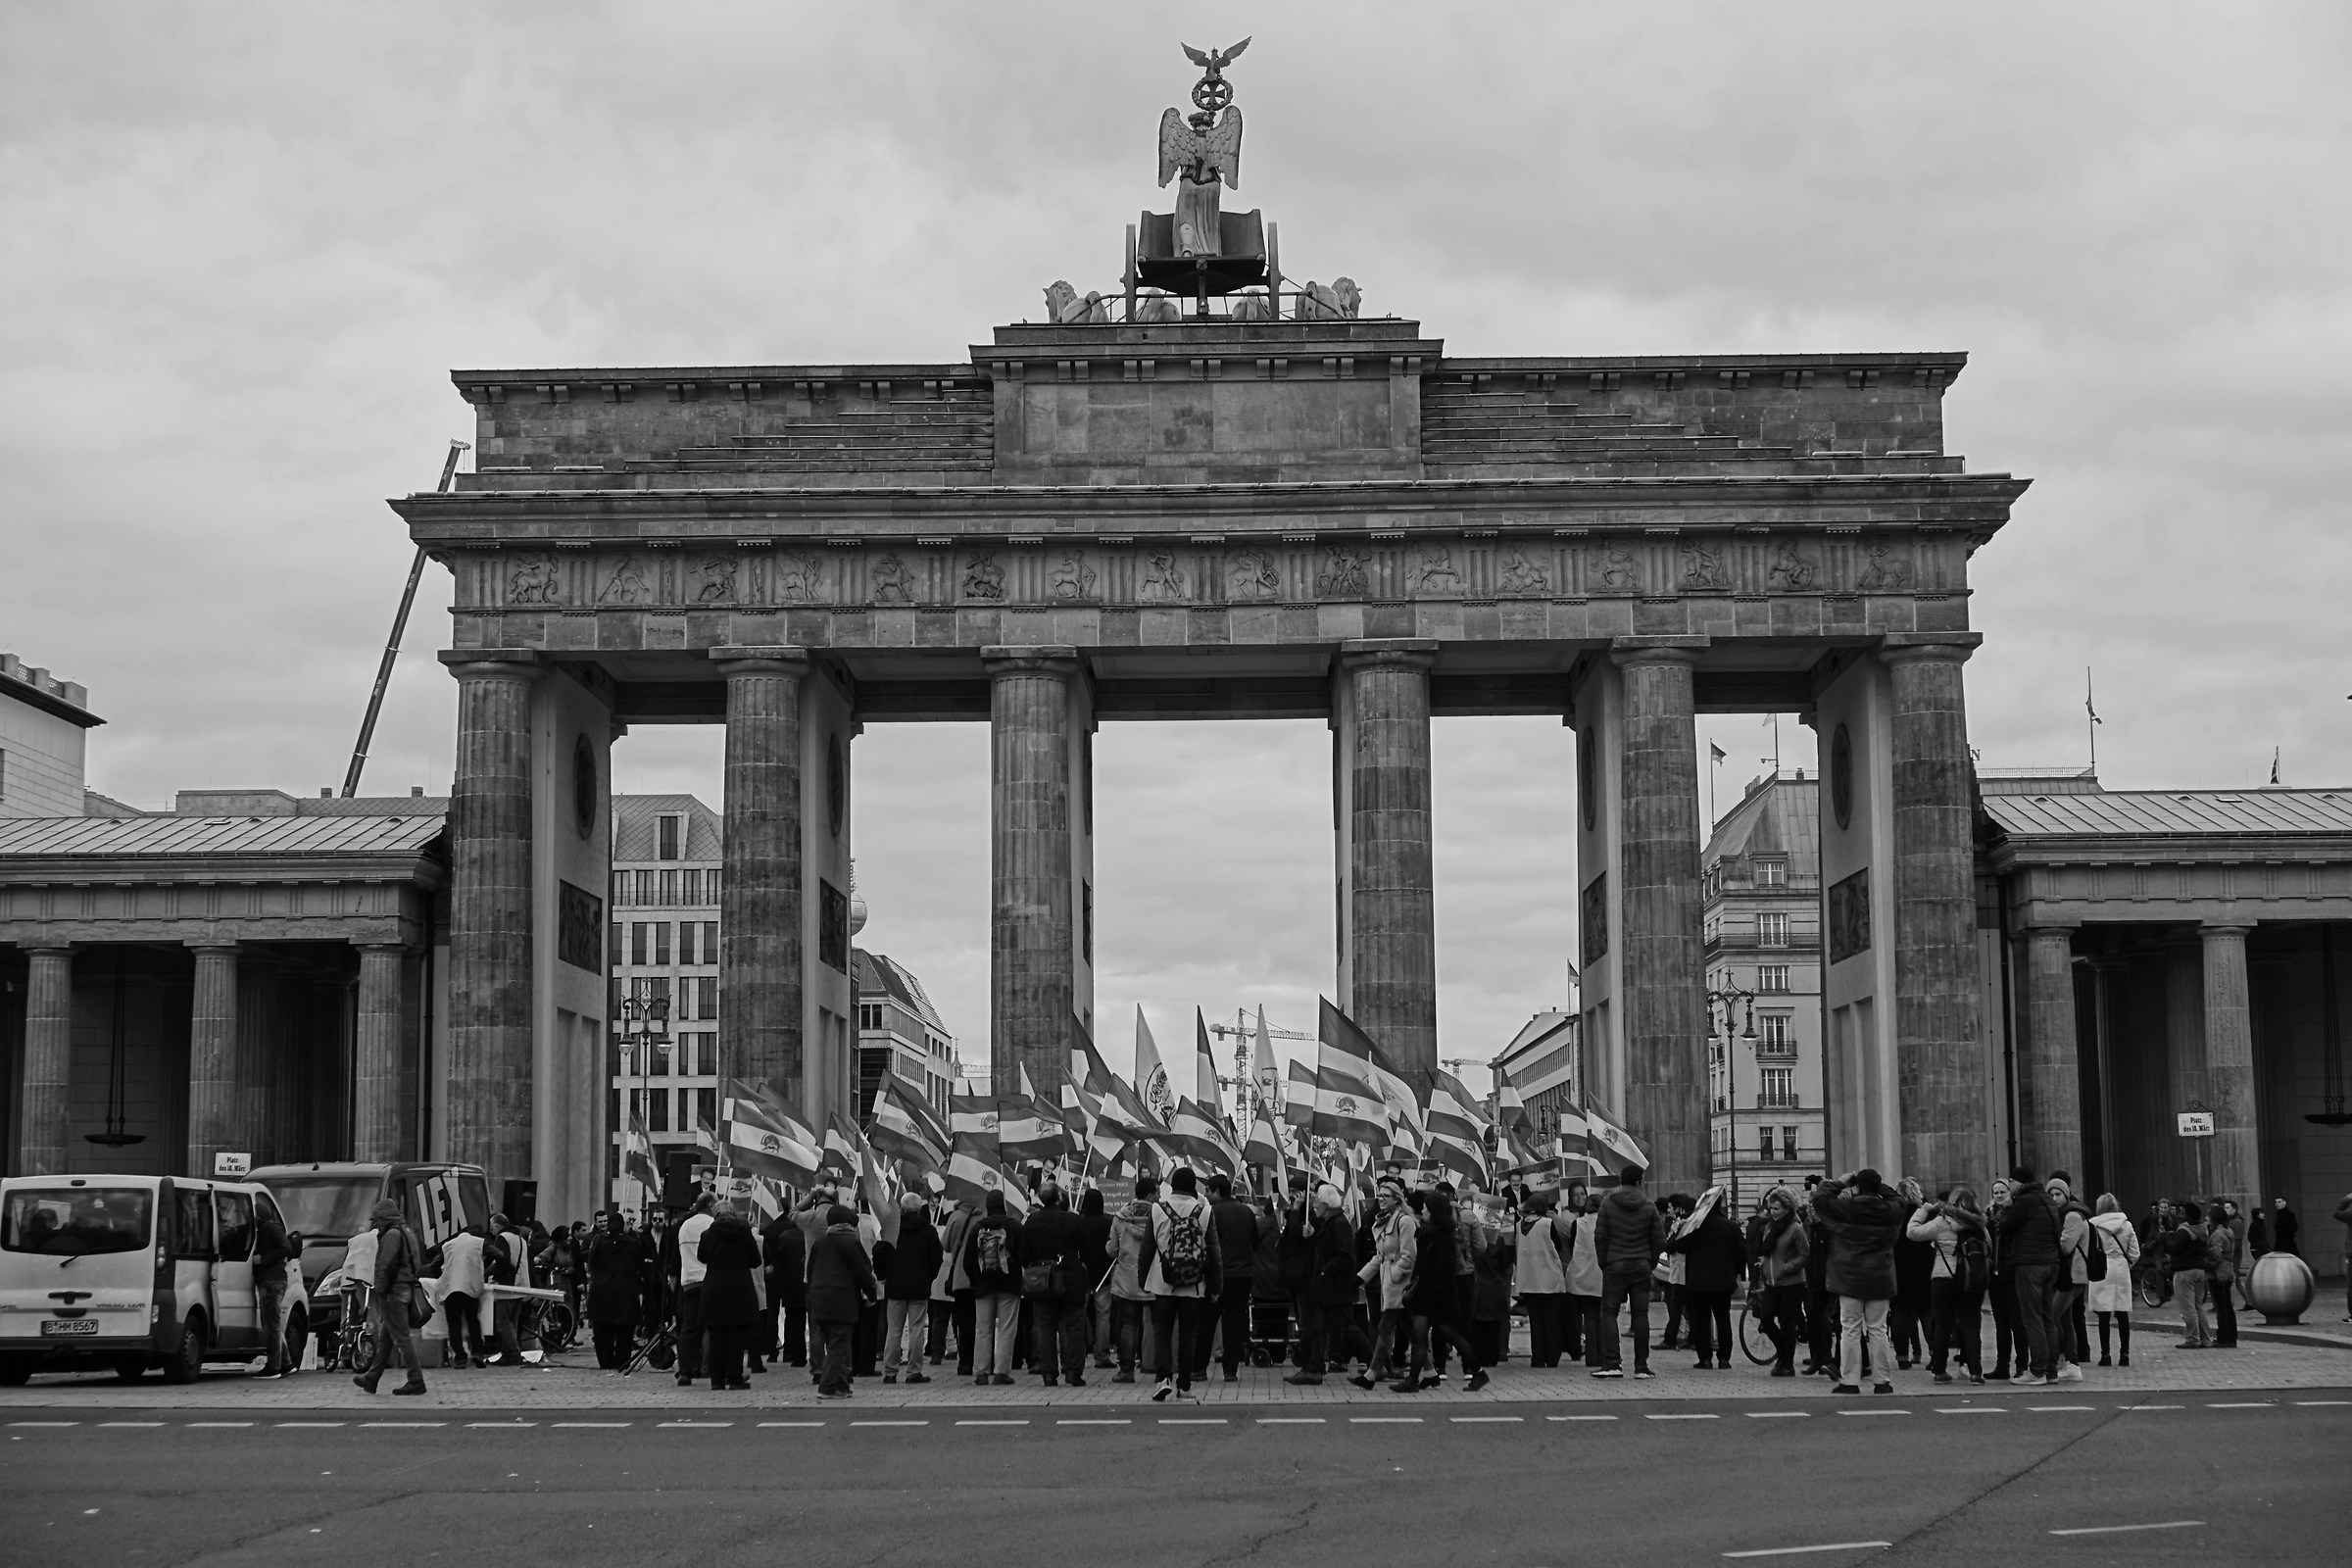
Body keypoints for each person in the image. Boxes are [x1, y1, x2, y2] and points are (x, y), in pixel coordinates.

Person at [1812, 1168, 1904, 1395]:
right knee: (1878, 1330)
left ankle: (1850, 1381)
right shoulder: (1890, 1211)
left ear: (1858, 1186)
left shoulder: (1846, 1208)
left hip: (1849, 1276)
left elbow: (1820, 1199)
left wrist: (1841, 1183)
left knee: (1850, 1329)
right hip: (1880, 1276)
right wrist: (1878, 1186)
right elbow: (1899, 1199)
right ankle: (1882, 1381)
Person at [1394, 1188, 1487, 1394]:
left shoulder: (1443, 1236)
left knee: (1453, 1336)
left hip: (1440, 1296)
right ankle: (1415, 1379)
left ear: (1433, 1211)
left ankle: (1478, 1372)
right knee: (1419, 1333)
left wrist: (1428, 1288)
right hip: (1427, 1294)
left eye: (1425, 1208)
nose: (1422, 1211)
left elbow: (1445, 1267)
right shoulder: (1428, 1232)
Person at [1145, 1166, 1223, 1401]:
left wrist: (1142, 1280)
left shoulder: (1157, 1209)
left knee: (1162, 1332)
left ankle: (1163, 1379)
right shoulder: (1204, 1211)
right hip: (1193, 1283)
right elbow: (1214, 1251)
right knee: (1188, 1335)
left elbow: (1147, 1247)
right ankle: (1185, 1385)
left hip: (1163, 1281)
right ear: (1193, 1187)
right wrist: (1216, 1286)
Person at [1590, 1165, 1666, 1380]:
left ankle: (1612, 1363)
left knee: (1609, 1313)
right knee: (1641, 1315)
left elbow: (1600, 1237)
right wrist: (1650, 1261)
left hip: (1615, 1263)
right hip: (1641, 1264)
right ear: (1640, 1182)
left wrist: (1604, 1262)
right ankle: (1641, 1366)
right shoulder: (1649, 1205)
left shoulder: (1608, 1203)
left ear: (1621, 1181)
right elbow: (1659, 1239)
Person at [1289, 1184, 1369, 1383]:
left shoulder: (1339, 1224)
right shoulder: (1329, 1222)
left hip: (1336, 1287)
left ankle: (1378, 1363)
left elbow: (1345, 1256)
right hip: (1327, 1287)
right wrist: (1312, 1234)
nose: (1314, 1205)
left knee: (1347, 1328)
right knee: (1318, 1326)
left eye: (1317, 1202)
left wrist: (1325, 1270)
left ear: (1325, 1205)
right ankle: (1314, 1367)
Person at [1907, 1187, 1986, 1385]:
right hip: (1970, 1279)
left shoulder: (1942, 1222)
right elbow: (1989, 1247)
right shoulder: (1979, 1223)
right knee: (1971, 1325)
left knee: (1943, 1324)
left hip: (1944, 1278)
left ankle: (1940, 1370)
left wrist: (1923, 1210)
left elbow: (1912, 1232)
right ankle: (1975, 1372)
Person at [1996, 1163, 2065, 1385]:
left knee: (2032, 1318)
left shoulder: (2024, 1201)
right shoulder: (2047, 1199)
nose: (2009, 1186)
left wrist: (2007, 1208)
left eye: (2011, 1182)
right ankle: (2051, 1371)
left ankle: (2037, 1371)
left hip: (2030, 1264)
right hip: (2050, 1263)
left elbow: (2005, 1227)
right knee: (2047, 1319)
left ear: (2020, 1182)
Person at [1667, 1186, 1747, 1371]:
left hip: (1699, 1281)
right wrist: (1734, 1272)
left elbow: (1681, 1247)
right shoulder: (1730, 1226)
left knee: (1702, 1320)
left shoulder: (1695, 1225)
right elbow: (1741, 1253)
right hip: (1724, 1281)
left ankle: (1705, 1358)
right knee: (1723, 1318)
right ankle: (1724, 1358)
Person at [805, 1203, 880, 1398]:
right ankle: (827, 1387)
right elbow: (863, 1272)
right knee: (838, 1345)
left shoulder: (820, 1243)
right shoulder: (851, 1242)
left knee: (837, 1343)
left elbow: (810, 1271)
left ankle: (842, 1385)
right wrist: (871, 1294)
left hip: (819, 1298)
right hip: (842, 1301)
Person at [353, 1200, 426, 1396]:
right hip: (405, 1288)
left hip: (393, 1293)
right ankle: (372, 1378)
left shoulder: (391, 1236)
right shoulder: (407, 1232)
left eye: (377, 1220)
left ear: (385, 1218)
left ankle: (416, 1380)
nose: (376, 1224)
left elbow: (384, 1266)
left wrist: (380, 1290)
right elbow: (415, 1263)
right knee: (386, 1338)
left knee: (402, 1338)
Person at [1018, 1183, 1089, 1388]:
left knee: (1045, 1328)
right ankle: (1073, 1371)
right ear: (1059, 1197)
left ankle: (1048, 1373)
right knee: (1074, 1327)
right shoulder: (1071, 1220)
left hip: (1043, 1281)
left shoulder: (1032, 1221)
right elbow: (1085, 1247)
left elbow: (1023, 1255)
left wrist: (1037, 1265)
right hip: (1070, 1279)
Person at [695, 1200, 762, 1390]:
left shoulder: (707, 1234)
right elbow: (755, 1261)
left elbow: (702, 1257)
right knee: (736, 1336)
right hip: (740, 1289)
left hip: (714, 1290)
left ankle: (717, 1380)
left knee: (716, 1336)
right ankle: (735, 1378)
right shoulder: (744, 1232)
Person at [1201, 1174, 1261, 1383]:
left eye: (1208, 1190)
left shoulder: (1211, 1213)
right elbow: (1255, 1241)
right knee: (1235, 1323)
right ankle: (1230, 1370)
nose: (1205, 1195)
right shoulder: (1246, 1212)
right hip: (1244, 1275)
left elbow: (1206, 1245)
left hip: (1219, 1276)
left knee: (1207, 1322)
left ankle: (1199, 1368)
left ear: (1217, 1192)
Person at [880, 1192, 941, 1385]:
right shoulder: (928, 1231)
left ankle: (890, 1371)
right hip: (919, 1286)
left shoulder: (892, 1229)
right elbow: (936, 1258)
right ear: (920, 1208)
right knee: (916, 1330)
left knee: (894, 1330)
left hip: (895, 1286)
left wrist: (883, 1275)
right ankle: (914, 1371)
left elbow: (879, 1252)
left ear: (902, 1208)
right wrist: (928, 1277)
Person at [962, 1190, 1023, 1386]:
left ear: (987, 1206)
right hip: (1009, 1286)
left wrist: (976, 1281)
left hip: (984, 1287)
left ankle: (981, 1372)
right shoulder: (1014, 1226)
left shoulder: (978, 1228)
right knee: (1006, 1329)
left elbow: (968, 1260)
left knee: (983, 1330)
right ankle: (1001, 1372)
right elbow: (1024, 1254)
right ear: (1003, 1204)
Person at [1512, 1190, 1574, 1369]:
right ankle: (1552, 1357)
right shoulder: (1547, 1223)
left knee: (1536, 1322)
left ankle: (1538, 1358)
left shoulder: (1519, 1225)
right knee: (1551, 1321)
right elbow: (1558, 1246)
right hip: (1548, 1279)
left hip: (1529, 1280)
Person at [1753, 1186, 1810, 1377]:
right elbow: (1768, 1251)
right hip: (1771, 1282)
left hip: (1791, 1283)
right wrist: (1763, 1264)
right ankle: (1783, 1353)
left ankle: (1787, 1363)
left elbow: (1804, 1255)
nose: (1773, 1212)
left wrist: (1786, 1267)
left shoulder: (1796, 1228)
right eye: (1771, 1208)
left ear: (1787, 1209)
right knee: (1766, 1319)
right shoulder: (1770, 1227)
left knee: (1787, 1323)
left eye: (1777, 1209)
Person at [2083, 1193, 2140, 1366]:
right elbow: (2135, 1252)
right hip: (2121, 1268)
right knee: (2122, 1313)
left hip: (2101, 1268)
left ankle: (2105, 1354)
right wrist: (2126, 1264)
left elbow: (2088, 1249)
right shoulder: (2126, 1225)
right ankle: (2125, 1354)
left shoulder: (2093, 1225)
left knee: (2103, 1313)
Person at [584, 1211, 643, 1370]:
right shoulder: (632, 1242)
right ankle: (622, 1361)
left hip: (602, 1291)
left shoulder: (599, 1240)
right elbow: (639, 1264)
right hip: (625, 1291)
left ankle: (605, 1361)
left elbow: (591, 1262)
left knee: (602, 1332)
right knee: (625, 1333)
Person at [2046, 1175, 2090, 1379]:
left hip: (2073, 1274)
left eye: (2058, 1194)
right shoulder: (2064, 1214)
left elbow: (2065, 1246)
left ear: (2067, 1195)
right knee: (2065, 1319)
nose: (2054, 1198)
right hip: (2069, 1274)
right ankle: (2070, 1363)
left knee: (2052, 1317)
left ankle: (2063, 1362)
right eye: (2051, 1194)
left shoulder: (2072, 1215)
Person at [669, 1194, 716, 1387]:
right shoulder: (712, 1224)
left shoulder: (685, 1226)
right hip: (710, 1280)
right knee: (714, 1328)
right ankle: (712, 1368)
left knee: (689, 1329)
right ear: (711, 1205)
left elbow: (679, 1256)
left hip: (689, 1282)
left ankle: (685, 1371)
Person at [1889, 1177, 1934, 1369]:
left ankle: (1902, 1357)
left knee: (1900, 1312)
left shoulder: (1894, 1215)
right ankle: (1935, 1354)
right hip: (1925, 1267)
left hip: (1899, 1269)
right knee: (1927, 1311)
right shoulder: (1926, 1214)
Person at [252, 1197, 296, 1379]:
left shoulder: (269, 1227)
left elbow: (286, 1248)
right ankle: (286, 1364)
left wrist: (263, 1259)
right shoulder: (262, 1230)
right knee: (272, 1323)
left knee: (271, 1325)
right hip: (270, 1280)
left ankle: (273, 1366)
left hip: (272, 1280)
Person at [1075, 1187, 1116, 1369]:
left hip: (1082, 1273)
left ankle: (1078, 1354)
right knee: (1103, 1316)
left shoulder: (1078, 1222)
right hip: (1104, 1273)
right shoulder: (1109, 1221)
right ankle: (1102, 1355)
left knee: (1078, 1315)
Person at [937, 1195, 979, 1376]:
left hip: (961, 1277)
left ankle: (965, 1362)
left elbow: (945, 1246)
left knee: (964, 1322)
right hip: (980, 1276)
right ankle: (983, 1360)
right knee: (982, 1323)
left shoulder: (955, 1216)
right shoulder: (983, 1217)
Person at [440, 1218, 489, 1369]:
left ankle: (460, 1357)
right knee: (473, 1320)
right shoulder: (479, 1243)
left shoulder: (447, 1245)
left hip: (451, 1288)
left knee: (454, 1323)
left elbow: (435, 1264)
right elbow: (499, 1256)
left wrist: (443, 1276)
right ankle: (477, 1352)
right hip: (470, 1287)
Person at [482, 1211, 529, 1367]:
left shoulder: (502, 1238)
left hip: (508, 1285)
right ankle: (510, 1352)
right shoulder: (520, 1238)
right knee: (512, 1322)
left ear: (497, 1225)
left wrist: (494, 1276)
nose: (491, 1230)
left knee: (502, 1322)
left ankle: (512, 1354)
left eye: (492, 1227)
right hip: (521, 1285)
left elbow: (502, 1260)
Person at [2167, 1200, 2215, 1348]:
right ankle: (2205, 1339)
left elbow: (2174, 1249)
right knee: (2198, 1306)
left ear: (2188, 1215)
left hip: (2184, 1271)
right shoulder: (2203, 1229)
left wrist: (2166, 1239)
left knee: (2187, 1307)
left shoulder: (2184, 1231)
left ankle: (2193, 1338)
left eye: (2182, 1213)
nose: (2179, 1215)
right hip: (2199, 1270)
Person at [1564, 1190, 1603, 1368]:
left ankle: (1591, 1357)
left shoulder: (1577, 1223)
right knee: (1603, 1317)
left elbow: (1572, 1246)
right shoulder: (1606, 1223)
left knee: (1589, 1317)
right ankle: (1603, 1355)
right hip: (1601, 1275)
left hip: (1582, 1275)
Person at [1657, 1193, 1693, 1351]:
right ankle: (1691, 1337)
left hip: (1681, 1271)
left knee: (1676, 1306)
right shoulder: (1688, 1224)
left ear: (1680, 1209)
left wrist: (1671, 1236)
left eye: (1671, 1207)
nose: (1669, 1210)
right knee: (1685, 1306)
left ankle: (1671, 1338)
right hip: (1683, 1270)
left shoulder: (1681, 1225)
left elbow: (1671, 1246)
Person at [2207, 1200, 2245, 1348]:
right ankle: (2231, 1336)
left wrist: (2206, 1263)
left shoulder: (2217, 1234)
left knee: (2221, 1307)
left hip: (2218, 1273)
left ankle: (2223, 1337)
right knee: (2227, 1306)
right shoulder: (2228, 1231)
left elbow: (2215, 1255)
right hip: (2227, 1271)